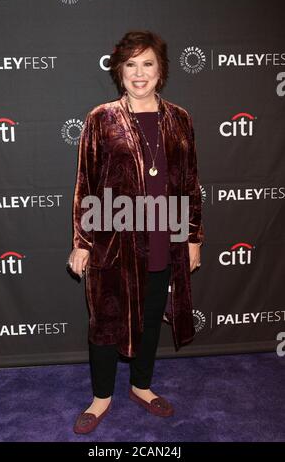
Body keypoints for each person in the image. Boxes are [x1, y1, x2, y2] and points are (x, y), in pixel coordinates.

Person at [68, 30, 204, 434]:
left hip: (165, 235)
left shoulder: (181, 119)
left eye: (148, 64)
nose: (139, 73)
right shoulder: (101, 118)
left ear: (160, 71)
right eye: (131, 65)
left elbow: (191, 182)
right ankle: (102, 396)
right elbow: (86, 184)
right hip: (114, 239)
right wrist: (83, 242)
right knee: (106, 322)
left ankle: (142, 386)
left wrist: (193, 237)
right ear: (120, 72)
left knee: (148, 319)